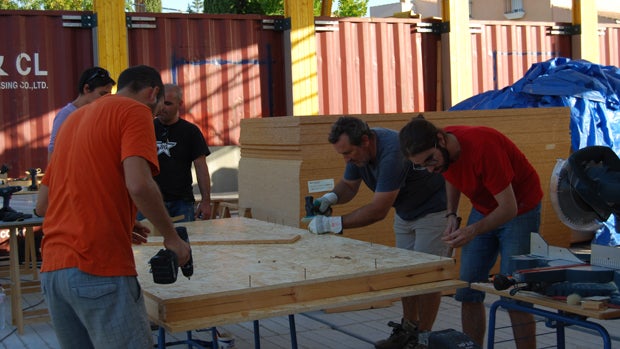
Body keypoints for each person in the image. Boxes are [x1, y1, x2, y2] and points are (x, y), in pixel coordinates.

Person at [35, 65, 191, 349]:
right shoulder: (135, 111)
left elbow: (43, 204)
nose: (156, 115)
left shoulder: (73, 120)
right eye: (157, 108)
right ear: (152, 93)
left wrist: (116, 217)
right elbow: (139, 184)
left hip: (54, 272)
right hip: (99, 268)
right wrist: (172, 238)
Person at [398, 115, 542, 349]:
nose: (431, 169)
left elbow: (509, 208)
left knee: (515, 293)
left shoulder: (483, 147)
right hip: (485, 208)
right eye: (422, 165)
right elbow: (450, 175)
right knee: (467, 289)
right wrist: (451, 214)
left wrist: (473, 230)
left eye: (430, 160)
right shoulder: (442, 155)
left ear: (441, 140)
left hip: (520, 209)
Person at [308, 116, 450, 349]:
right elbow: (348, 185)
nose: (346, 159)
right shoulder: (358, 151)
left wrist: (334, 224)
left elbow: (378, 210)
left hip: (433, 212)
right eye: (342, 154)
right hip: (406, 212)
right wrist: (330, 198)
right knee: (407, 274)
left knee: (427, 277)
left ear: (365, 140)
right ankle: (408, 329)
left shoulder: (393, 152)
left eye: (348, 153)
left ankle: (423, 339)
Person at [151, 83, 212, 221]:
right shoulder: (146, 128)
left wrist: (206, 201)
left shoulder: (191, 131)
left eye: (168, 103)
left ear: (180, 104)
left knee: (183, 241)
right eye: (160, 102)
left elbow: (201, 167)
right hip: (150, 201)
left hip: (181, 202)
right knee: (148, 242)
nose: (162, 108)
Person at [47, 66, 116, 160]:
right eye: (102, 94)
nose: (106, 99)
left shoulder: (100, 114)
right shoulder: (66, 115)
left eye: (109, 95)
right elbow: (53, 150)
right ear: (86, 88)